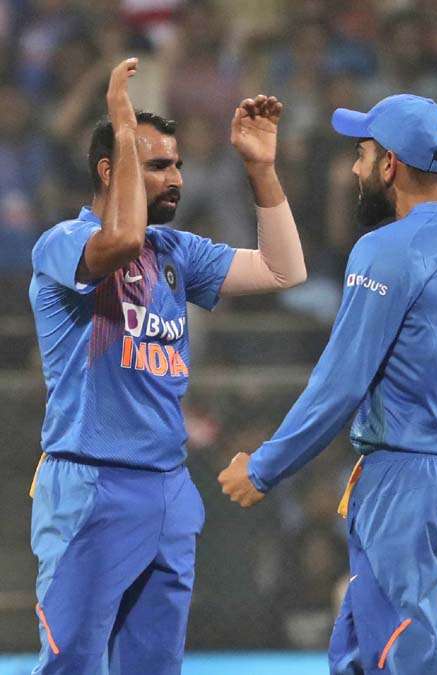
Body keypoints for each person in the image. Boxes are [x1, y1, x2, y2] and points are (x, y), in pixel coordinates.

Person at [216, 94, 437, 675]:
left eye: (361, 154)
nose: (354, 168)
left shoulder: (387, 250)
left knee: (398, 657)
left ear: (390, 165)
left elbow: (341, 382)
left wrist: (265, 467)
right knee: (358, 654)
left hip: (408, 481)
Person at [27, 57, 306, 674]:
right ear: (110, 169)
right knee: (71, 665)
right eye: (156, 165)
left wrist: (261, 171)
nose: (175, 177)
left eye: (176, 164)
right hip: (91, 486)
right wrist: (123, 127)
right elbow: (120, 241)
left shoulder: (175, 251)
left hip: (167, 488)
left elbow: (284, 269)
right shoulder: (62, 244)